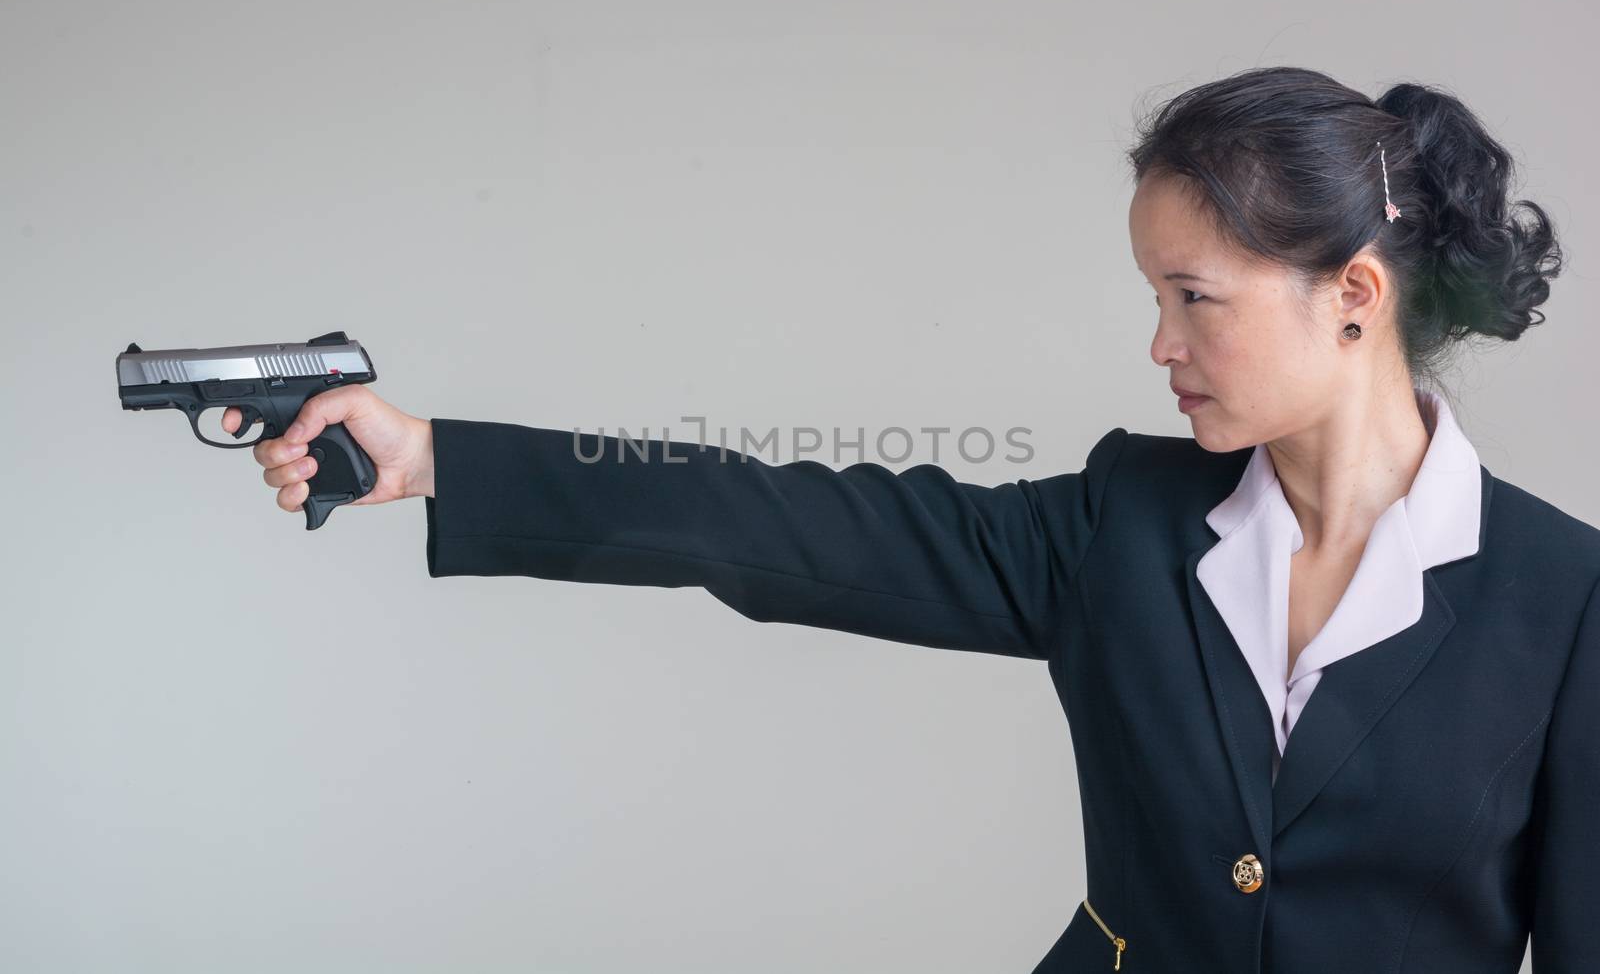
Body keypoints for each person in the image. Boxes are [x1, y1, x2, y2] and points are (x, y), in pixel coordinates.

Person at [222, 66, 1598, 973]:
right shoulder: (1120, 526)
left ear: (1353, 295)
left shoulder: (1569, 601)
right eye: (1155, 297)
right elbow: (768, 521)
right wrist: (435, 457)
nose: (1160, 346)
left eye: (1196, 298)